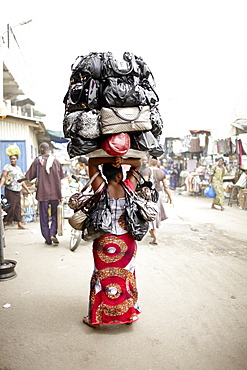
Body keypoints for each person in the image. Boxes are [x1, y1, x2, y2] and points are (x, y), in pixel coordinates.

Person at [83, 156, 142, 328]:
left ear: (105, 174)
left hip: (104, 240)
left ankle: (96, 319)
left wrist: (110, 158)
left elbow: (91, 162)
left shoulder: (100, 187)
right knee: (127, 276)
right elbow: (137, 164)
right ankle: (128, 315)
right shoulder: (129, 187)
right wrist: (122, 160)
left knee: (101, 277)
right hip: (126, 240)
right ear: (119, 175)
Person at [18, 142, 64, 245]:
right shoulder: (56, 161)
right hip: (55, 193)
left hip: (43, 194)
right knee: (55, 215)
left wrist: (20, 180)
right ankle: (53, 234)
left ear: (42, 149)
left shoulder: (38, 161)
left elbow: (29, 176)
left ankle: (47, 239)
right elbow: (60, 177)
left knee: (43, 217)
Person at [143, 157, 173, 245]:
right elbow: (166, 187)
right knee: (156, 211)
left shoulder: (147, 171)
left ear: (149, 162)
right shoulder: (162, 172)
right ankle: (152, 232)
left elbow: (145, 183)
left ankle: (155, 237)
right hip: (159, 194)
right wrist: (171, 198)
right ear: (157, 163)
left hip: (150, 194)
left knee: (150, 212)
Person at [0, 155, 30, 229]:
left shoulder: (18, 168)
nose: (13, 160)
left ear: (17, 159)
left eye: (14, 159)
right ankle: (4, 223)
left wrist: (27, 189)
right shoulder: (7, 167)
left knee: (18, 207)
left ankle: (19, 224)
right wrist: (0, 186)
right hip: (10, 190)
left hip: (17, 190)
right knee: (10, 207)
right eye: (11, 159)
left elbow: (21, 181)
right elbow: (3, 177)